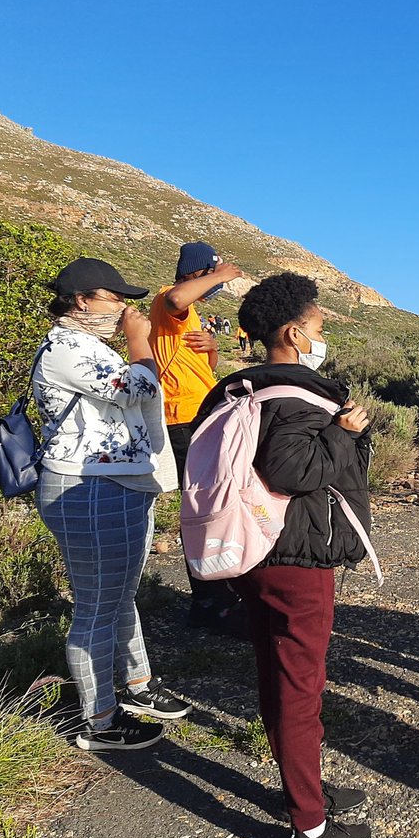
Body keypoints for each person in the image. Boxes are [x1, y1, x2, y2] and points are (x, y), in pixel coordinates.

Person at [192, 272, 372, 838]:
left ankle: (306, 790)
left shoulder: (236, 389)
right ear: (294, 332)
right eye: (318, 325)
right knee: (301, 686)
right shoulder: (297, 395)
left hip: (250, 551)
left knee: (276, 672)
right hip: (293, 559)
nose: (322, 334)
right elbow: (294, 472)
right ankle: (309, 829)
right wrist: (343, 434)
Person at [31, 256, 192, 751]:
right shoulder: (66, 350)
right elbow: (140, 388)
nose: (124, 307)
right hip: (89, 487)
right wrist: (139, 339)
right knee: (98, 607)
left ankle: (138, 687)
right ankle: (100, 721)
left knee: (118, 597)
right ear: (82, 300)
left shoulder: (87, 347)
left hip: (114, 484)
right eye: (114, 297)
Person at [150, 241, 246, 637]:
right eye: (208, 276)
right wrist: (221, 273)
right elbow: (175, 295)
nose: (215, 285)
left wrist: (210, 351)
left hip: (198, 415)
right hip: (182, 421)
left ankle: (221, 595)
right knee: (207, 509)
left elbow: (196, 366)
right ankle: (210, 605)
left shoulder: (189, 314)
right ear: (196, 272)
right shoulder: (167, 300)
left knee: (218, 503)